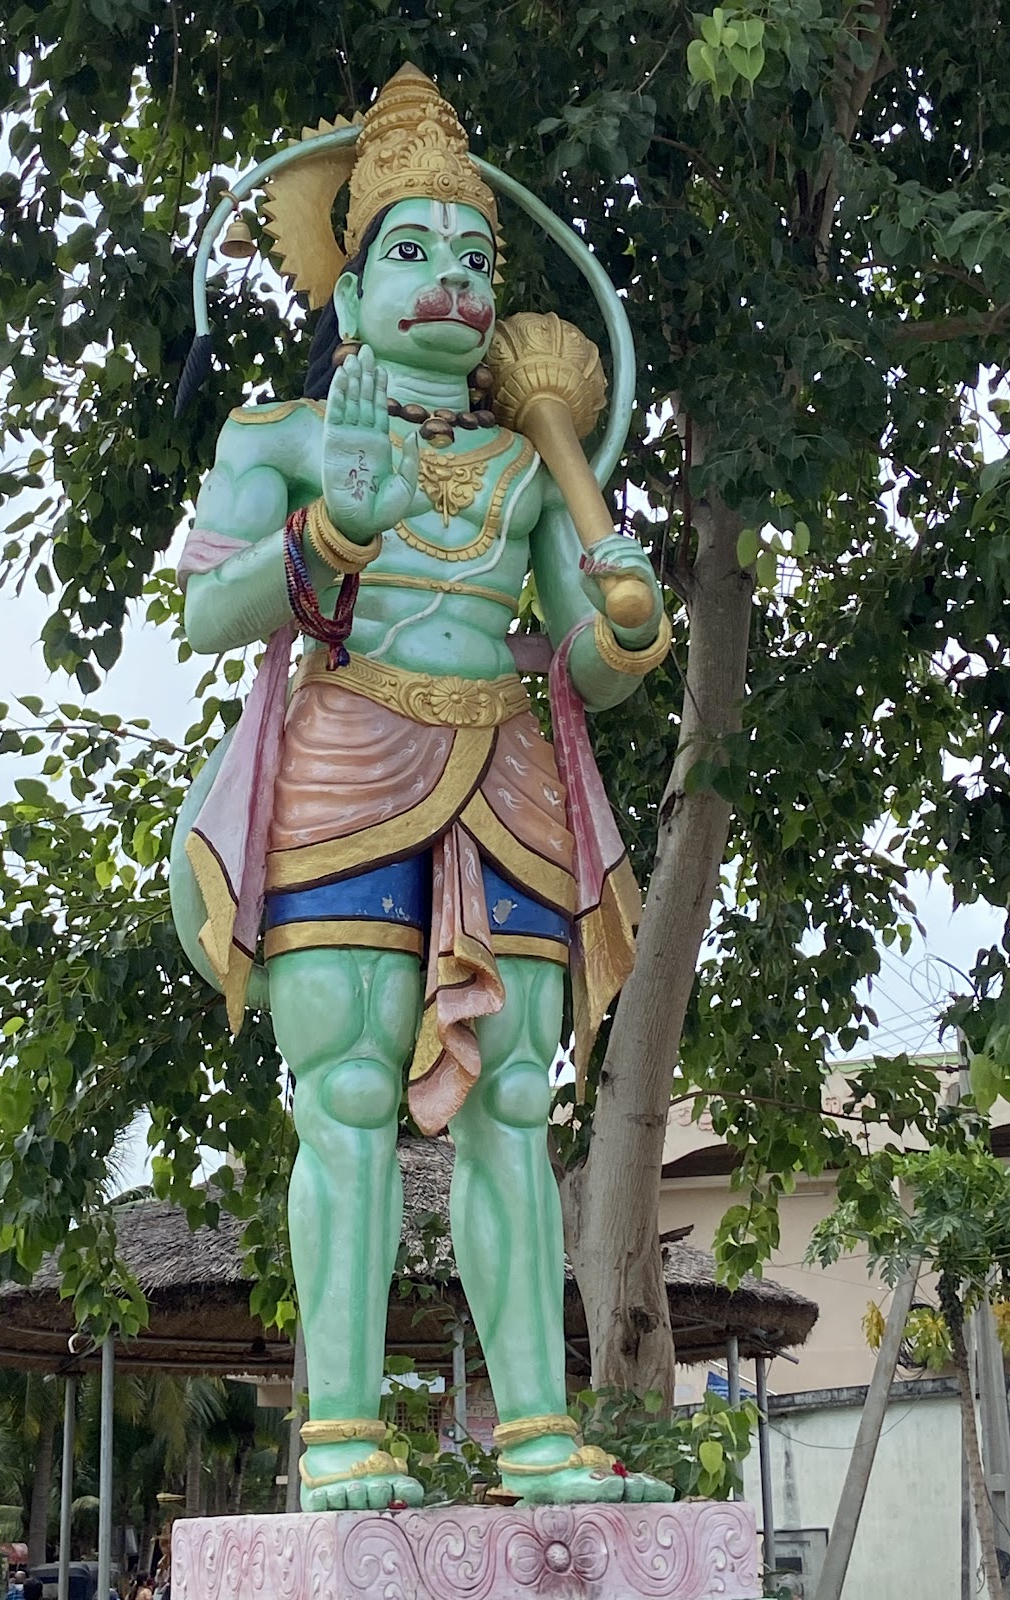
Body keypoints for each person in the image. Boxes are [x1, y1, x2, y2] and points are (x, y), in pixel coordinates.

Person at [173, 64, 676, 1513]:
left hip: (508, 775)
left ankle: (535, 1433)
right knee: (343, 1092)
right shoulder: (277, 437)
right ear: (347, 295)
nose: (450, 279)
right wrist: (331, 529)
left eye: (474, 257)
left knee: (515, 1098)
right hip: (344, 771)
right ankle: (341, 1431)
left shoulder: (533, 471)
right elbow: (209, 617)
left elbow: (586, 655)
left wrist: (629, 633)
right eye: (411, 250)